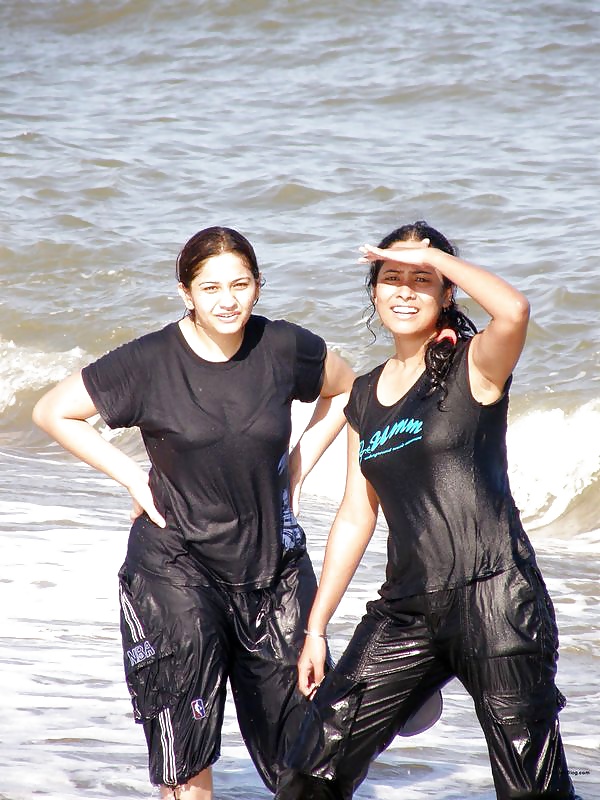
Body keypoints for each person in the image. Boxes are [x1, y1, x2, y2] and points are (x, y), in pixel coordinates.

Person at [32, 226, 356, 800]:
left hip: (271, 566)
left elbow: (347, 387)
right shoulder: (150, 361)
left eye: (240, 284)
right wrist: (133, 476)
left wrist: (297, 465)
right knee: (186, 757)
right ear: (186, 292)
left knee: (305, 757)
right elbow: (53, 411)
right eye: (210, 288)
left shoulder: (283, 346)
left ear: (257, 287)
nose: (227, 300)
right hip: (174, 567)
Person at [276, 221, 578, 800]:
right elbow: (355, 515)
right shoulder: (363, 396)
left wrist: (430, 254)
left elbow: (513, 310)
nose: (406, 291)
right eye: (392, 277)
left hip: (496, 599)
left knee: (530, 792)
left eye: (423, 279)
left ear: (447, 292)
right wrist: (316, 628)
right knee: (310, 770)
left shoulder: (475, 365)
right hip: (406, 611)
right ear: (373, 290)